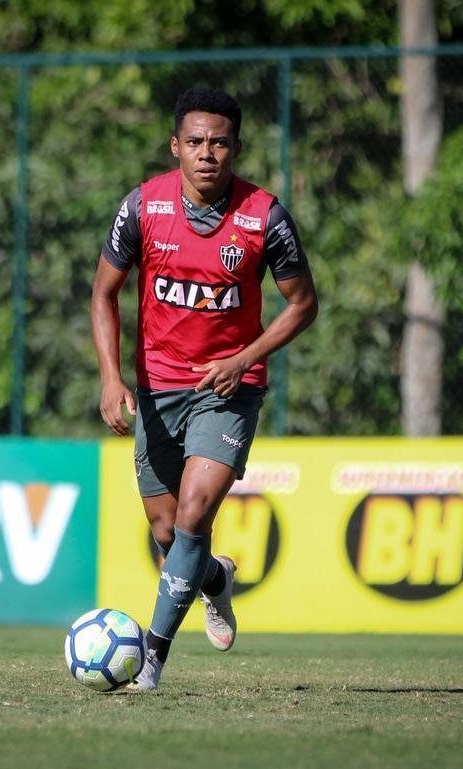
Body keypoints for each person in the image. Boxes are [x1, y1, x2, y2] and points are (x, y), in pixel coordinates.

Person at [90, 87, 318, 691]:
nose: (207, 153)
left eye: (219, 142)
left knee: (193, 513)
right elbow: (103, 294)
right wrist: (112, 377)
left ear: (236, 147)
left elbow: (303, 305)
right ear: (176, 147)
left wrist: (244, 359)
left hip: (229, 390)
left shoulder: (265, 216)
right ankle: (214, 578)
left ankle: (151, 659)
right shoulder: (142, 207)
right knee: (168, 534)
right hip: (157, 388)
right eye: (195, 142)